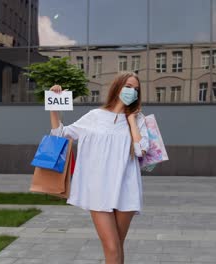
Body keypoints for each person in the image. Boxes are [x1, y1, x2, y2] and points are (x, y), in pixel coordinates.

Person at [49, 71, 149, 264]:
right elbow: (61, 134)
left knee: (117, 248)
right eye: (128, 87)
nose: (132, 92)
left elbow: (140, 151)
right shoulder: (95, 116)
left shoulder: (139, 119)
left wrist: (131, 121)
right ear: (117, 87)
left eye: (136, 89)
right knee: (111, 247)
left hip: (126, 190)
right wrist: (53, 105)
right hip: (99, 191)